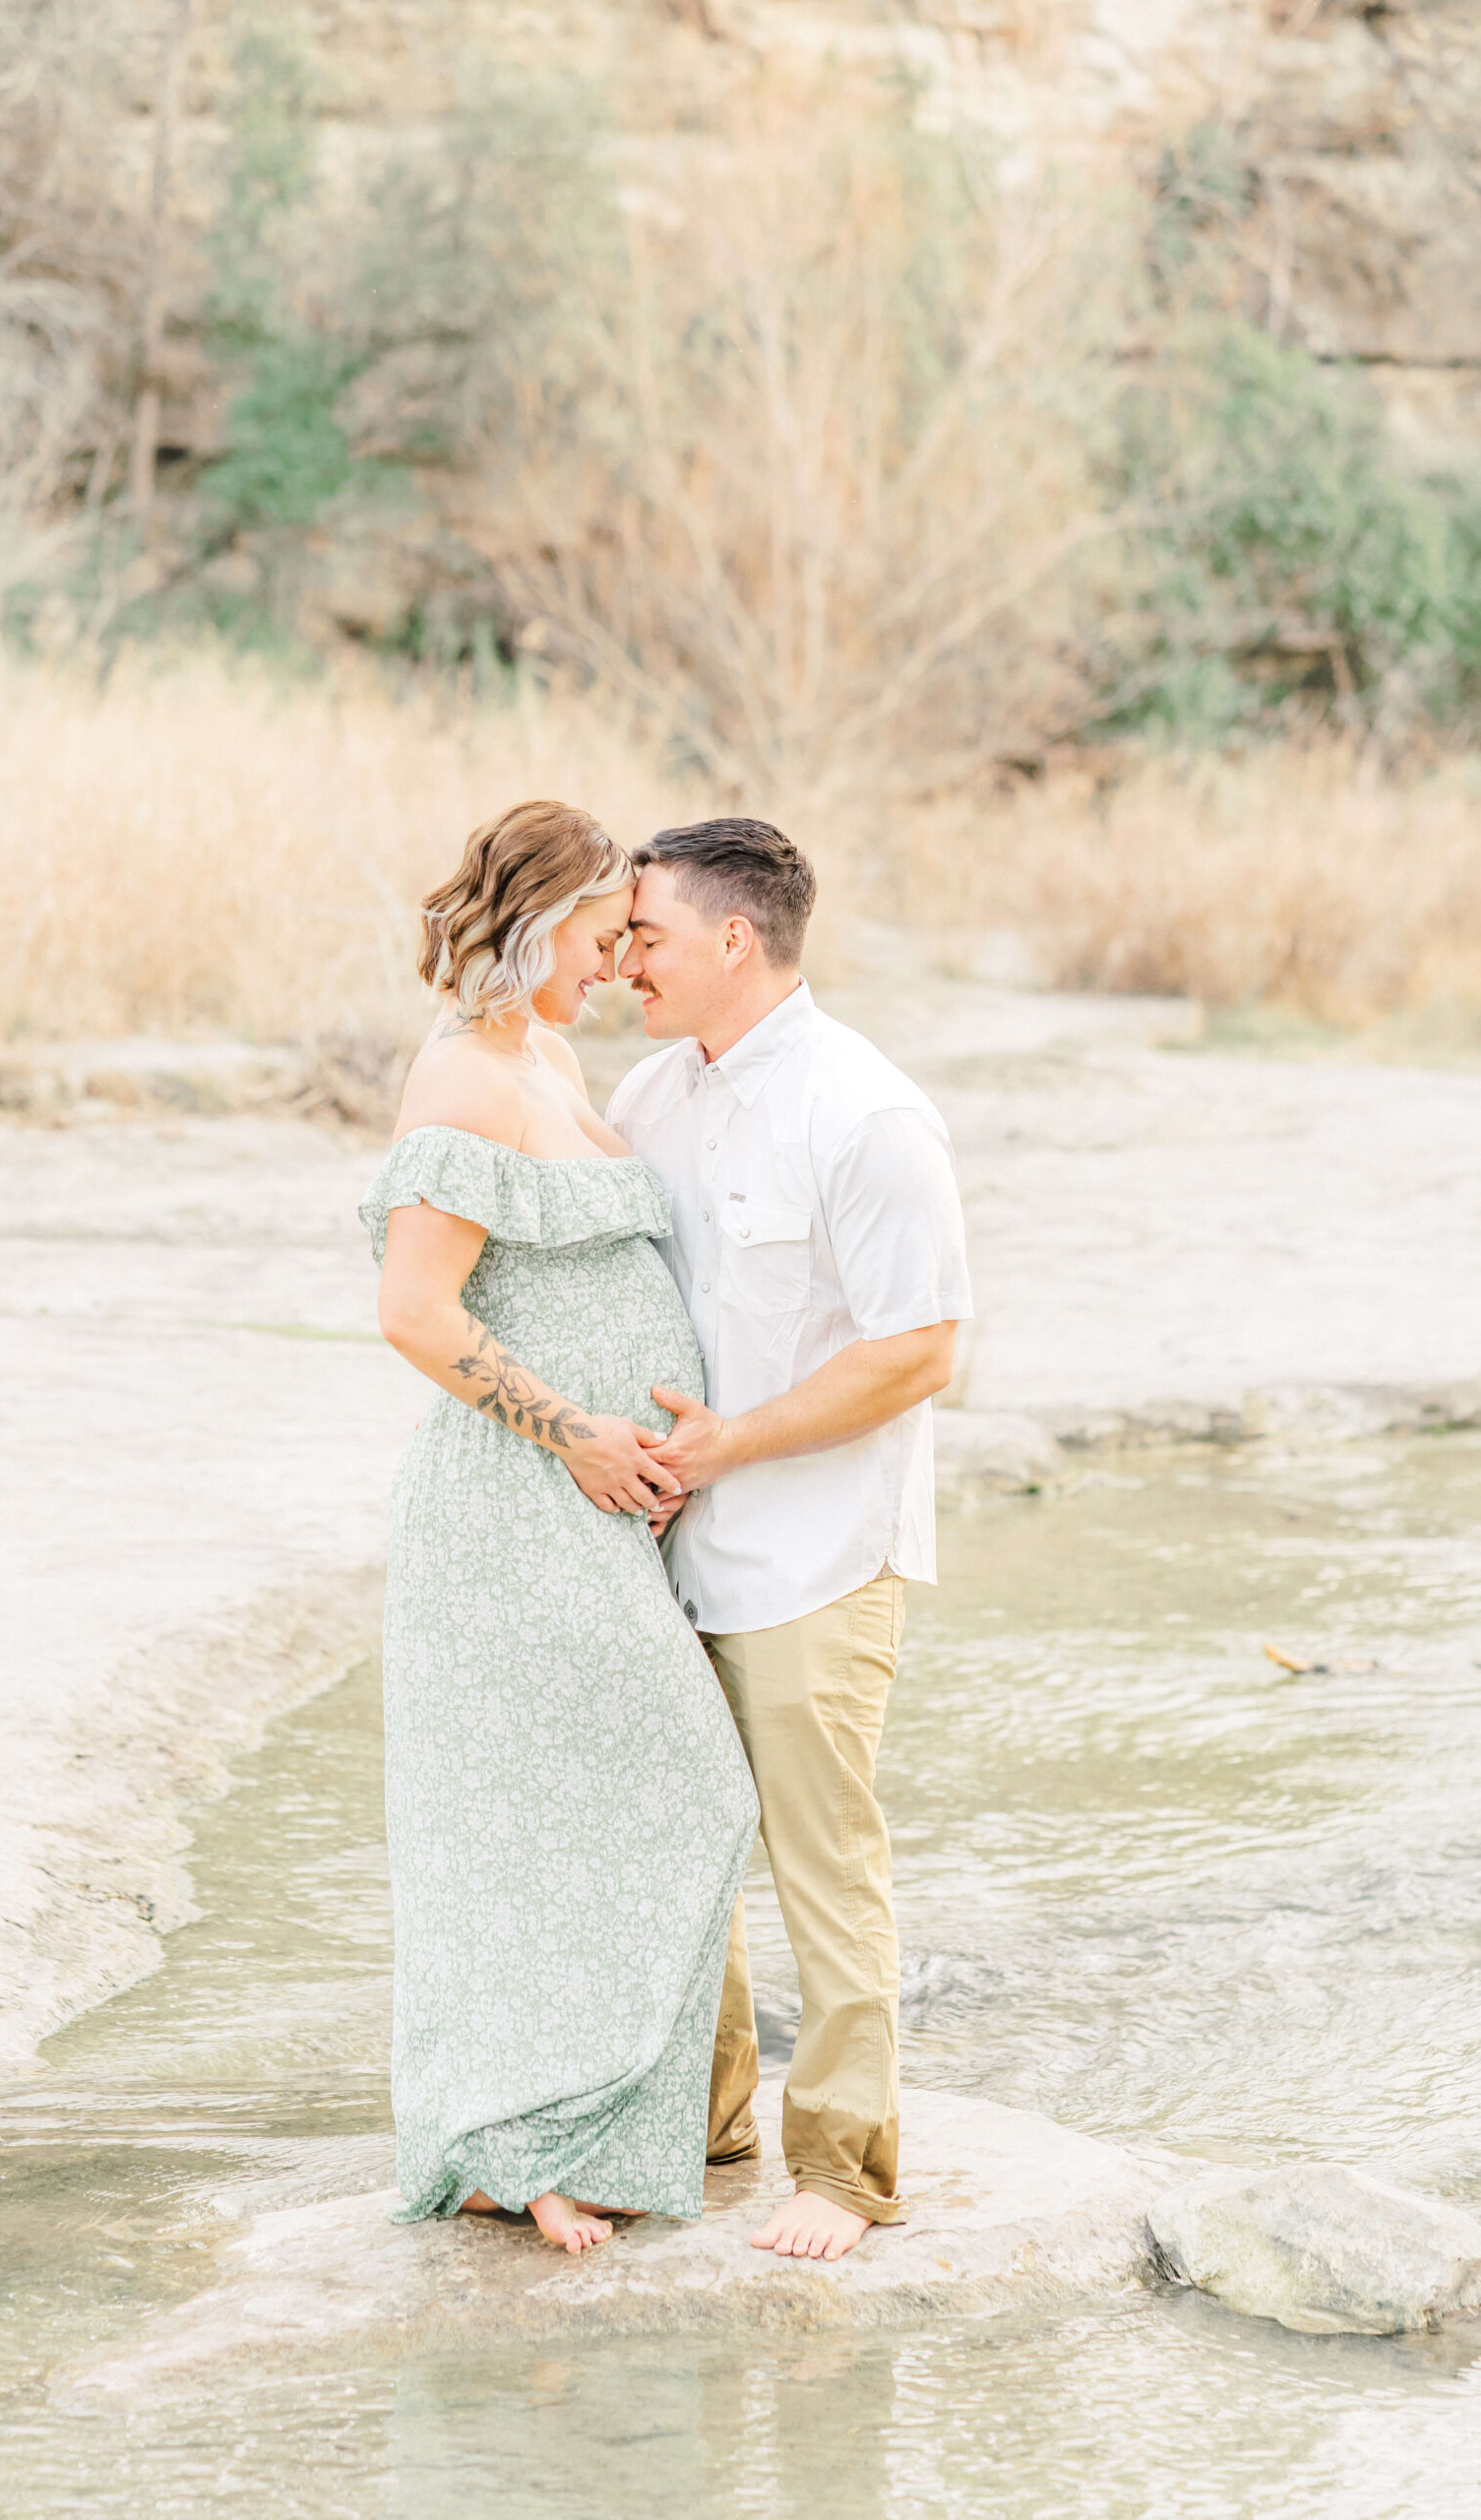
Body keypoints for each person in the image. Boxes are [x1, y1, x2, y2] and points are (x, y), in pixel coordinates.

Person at [360, 799, 758, 2255]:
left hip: (587, 1515)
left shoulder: (546, 1052)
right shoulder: (462, 1074)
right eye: (601, 939)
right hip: (514, 1506)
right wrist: (576, 1430)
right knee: (647, 1793)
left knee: (565, 1818)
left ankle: (547, 2133)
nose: (611, 966)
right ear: (539, 924)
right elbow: (413, 1312)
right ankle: (515, 2138)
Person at [608, 817, 972, 2262]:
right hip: (661, 1549)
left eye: (645, 935)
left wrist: (730, 1444)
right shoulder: (644, 1096)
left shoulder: (868, 1114)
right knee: (674, 1856)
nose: (624, 959)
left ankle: (844, 2168)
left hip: (820, 1553)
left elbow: (923, 1351)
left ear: (733, 941)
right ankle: (693, 2127)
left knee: (825, 1863)